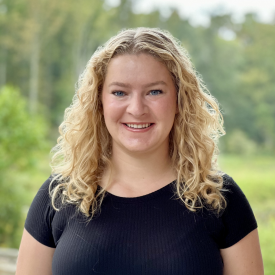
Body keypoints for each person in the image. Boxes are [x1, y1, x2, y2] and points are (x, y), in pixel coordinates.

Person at [16, 28, 264, 275]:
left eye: (154, 91)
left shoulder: (219, 198)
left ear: (179, 100)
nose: (136, 108)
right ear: (99, 102)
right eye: (119, 92)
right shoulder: (58, 196)